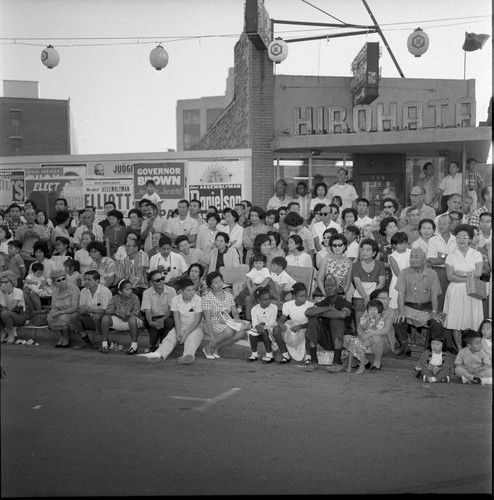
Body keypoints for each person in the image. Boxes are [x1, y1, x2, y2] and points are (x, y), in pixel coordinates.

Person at [393, 247, 448, 356]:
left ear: (424, 261)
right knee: (398, 320)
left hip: (426, 309)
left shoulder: (432, 273)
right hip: (409, 307)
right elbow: (400, 294)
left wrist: (434, 312)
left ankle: (431, 352)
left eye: (416, 257)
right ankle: (405, 348)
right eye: (411, 257)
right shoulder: (404, 272)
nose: (413, 259)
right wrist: (401, 312)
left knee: (437, 323)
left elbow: (434, 295)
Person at [137, 277, 204, 364]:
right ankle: (158, 354)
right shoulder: (176, 299)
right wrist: (179, 332)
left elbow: (197, 321)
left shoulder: (198, 299)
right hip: (181, 325)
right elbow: (176, 318)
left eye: (192, 290)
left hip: (195, 328)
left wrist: (186, 333)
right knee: (170, 338)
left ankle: (188, 356)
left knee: (191, 339)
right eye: (188, 290)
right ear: (181, 291)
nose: (192, 293)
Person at [443, 224, 484, 353]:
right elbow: (450, 276)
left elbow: (478, 273)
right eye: (459, 237)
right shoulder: (451, 255)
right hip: (456, 290)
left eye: (465, 237)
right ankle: (460, 349)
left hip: (472, 291)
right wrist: (468, 275)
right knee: (456, 320)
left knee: (472, 319)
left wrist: (461, 274)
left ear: (470, 239)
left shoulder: (476, 254)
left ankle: (471, 349)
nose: (461, 240)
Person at [304, 274, 353, 372]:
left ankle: (337, 362)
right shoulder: (323, 303)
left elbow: (342, 315)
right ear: (324, 288)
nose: (330, 288)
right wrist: (329, 309)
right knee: (313, 320)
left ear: (338, 288)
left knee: (336, 321)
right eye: (327, 286)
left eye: (332, 286)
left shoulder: (345, 302)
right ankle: (313, 361)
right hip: (326, 339)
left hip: (342, 338)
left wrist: (321, 313)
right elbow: (308, 312)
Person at [201, 271, 248, 359]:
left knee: (241, 333)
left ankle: (217, 347)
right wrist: (211, 335)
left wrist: (237, 318)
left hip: (227, 321)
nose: (219, 284)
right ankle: (208, 346)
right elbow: (207, 318)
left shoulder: (229, 295)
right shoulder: (207, 298)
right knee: (229, 331)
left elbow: (234, 311)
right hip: (212, 323)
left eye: (220, 281)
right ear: (210, 285)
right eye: (215, 282)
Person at [272, 282, 314, 365]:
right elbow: (282, 319)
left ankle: (308, 356)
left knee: (311, 329)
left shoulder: (310, 305)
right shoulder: (287, 305)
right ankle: (285, 355)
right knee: (276, 329)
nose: (304, 298)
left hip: (305, 327)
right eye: (301, 296)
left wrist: (300, 326)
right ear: (294, 296)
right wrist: (281, 325)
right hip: (293, 327)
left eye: (306, 296)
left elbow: (312, 323)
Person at [70, 270, 113, 350]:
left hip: (104, 320)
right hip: (89, 317)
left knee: (96, 317)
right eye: (85, 279)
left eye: (89, 280)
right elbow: (82, 308)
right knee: (74, 316)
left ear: (97, 281)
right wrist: (82, 310)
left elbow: (107, 312)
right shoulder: (84, 291)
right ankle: (86, 341)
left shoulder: (105, 291)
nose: (86, 282)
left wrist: (90, 310)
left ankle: (104, 342)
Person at [100, 279, 143, 355]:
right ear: (120, 292)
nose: (130, 291)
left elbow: (136, 312)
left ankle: (134, 346)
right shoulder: (115, 298)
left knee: (132, 319)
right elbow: (108, 311)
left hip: (133, 322)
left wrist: (127, 314)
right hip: (119, 320)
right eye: (127, 289)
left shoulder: (135, 297)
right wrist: (116, 313)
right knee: (105, 318)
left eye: (130, 289)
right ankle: (105, 345)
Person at [426, 214, 458, 311]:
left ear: (451, 225)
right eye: (439, 223)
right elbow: (432, 260)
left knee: (452, 300)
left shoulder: (456, 240)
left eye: (445, 223)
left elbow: (457, 259)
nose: (441, 226)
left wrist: (442, 256)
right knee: (438, 299)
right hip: (438, 272)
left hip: (453, 273)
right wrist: (449, 257)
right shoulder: (433, 240)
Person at [352, 238, 386, 327]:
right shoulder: (356, 265)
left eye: (368, 250)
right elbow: (357, 284)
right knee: (359, 306)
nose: (364, 252)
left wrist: (371, 296)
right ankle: (359, 331)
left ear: (374, 253)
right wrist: (365, 297)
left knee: (376, 308)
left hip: (375, 293)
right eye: (362, 250)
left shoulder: (380, 264)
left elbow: (381, 283)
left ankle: (376, 330)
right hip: (360, 293)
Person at [47, 268, 81, 348]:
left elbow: (74, 307)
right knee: (50, 317)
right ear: (55, 283)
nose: (62, 281)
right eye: (58, 280)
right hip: (60, 311)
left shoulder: (74, 289)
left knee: (63, 317)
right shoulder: (55, 291)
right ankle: (60, 337)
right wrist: (53, 313)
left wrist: (59, 312)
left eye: (63, 279)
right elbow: (54, 306)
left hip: (72, 312)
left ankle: (66, 337)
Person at [316, 233, 353, 298]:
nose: (337, 247)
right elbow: (319, 279)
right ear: (331, 247)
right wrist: (325, 294)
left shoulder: (349, 263)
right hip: (324, 293)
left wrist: (340, 296)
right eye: (334, 245)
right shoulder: (326, 260)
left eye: (340, 245)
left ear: (344, 246)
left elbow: (347, 284)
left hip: (340, 294)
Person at [247, 287, 277, 363]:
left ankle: (269, 355)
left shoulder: (274, 307)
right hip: (259, 328)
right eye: (265, 300)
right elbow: (254, 322)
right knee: (251, 333)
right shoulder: (254, 309)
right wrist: (257, 327)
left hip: (271, 329)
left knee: (264, 330)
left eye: (269, 299)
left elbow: (272, 322)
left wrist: (262, 324)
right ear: (258, 300)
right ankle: (254, 353)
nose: (268, 301)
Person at [0, 269, 27, 343]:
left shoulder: (18, 291)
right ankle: (2, 332)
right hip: (4, 315)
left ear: (12, 283)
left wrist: (5, 294)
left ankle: (11, 333)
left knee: (5, 313)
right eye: (2, 282)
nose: (3, 284)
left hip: (19, 316)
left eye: (6, 282)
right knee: (3, 312)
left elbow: (11, 308)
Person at [243, 253, 272, 321]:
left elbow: (267, 280)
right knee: (246, 296)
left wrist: (257, 287)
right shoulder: (253, 270)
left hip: (263, 287)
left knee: (259, 296)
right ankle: (248, 318)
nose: (258, 265)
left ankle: (261, 318)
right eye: (256, 263)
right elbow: (248, 277)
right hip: (254, 286)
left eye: (260, 263)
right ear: (253, 264)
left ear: (264, 263)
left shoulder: (265, 270)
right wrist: (251, 285)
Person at [388, 232, 411, 310]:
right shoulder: (392, 257)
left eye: (405, 243)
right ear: (394, 245)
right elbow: (397, 273)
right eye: (400, 244)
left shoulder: (411, 252)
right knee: (397, 306)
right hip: (398, 281)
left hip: (413, 280)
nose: (403, 246)